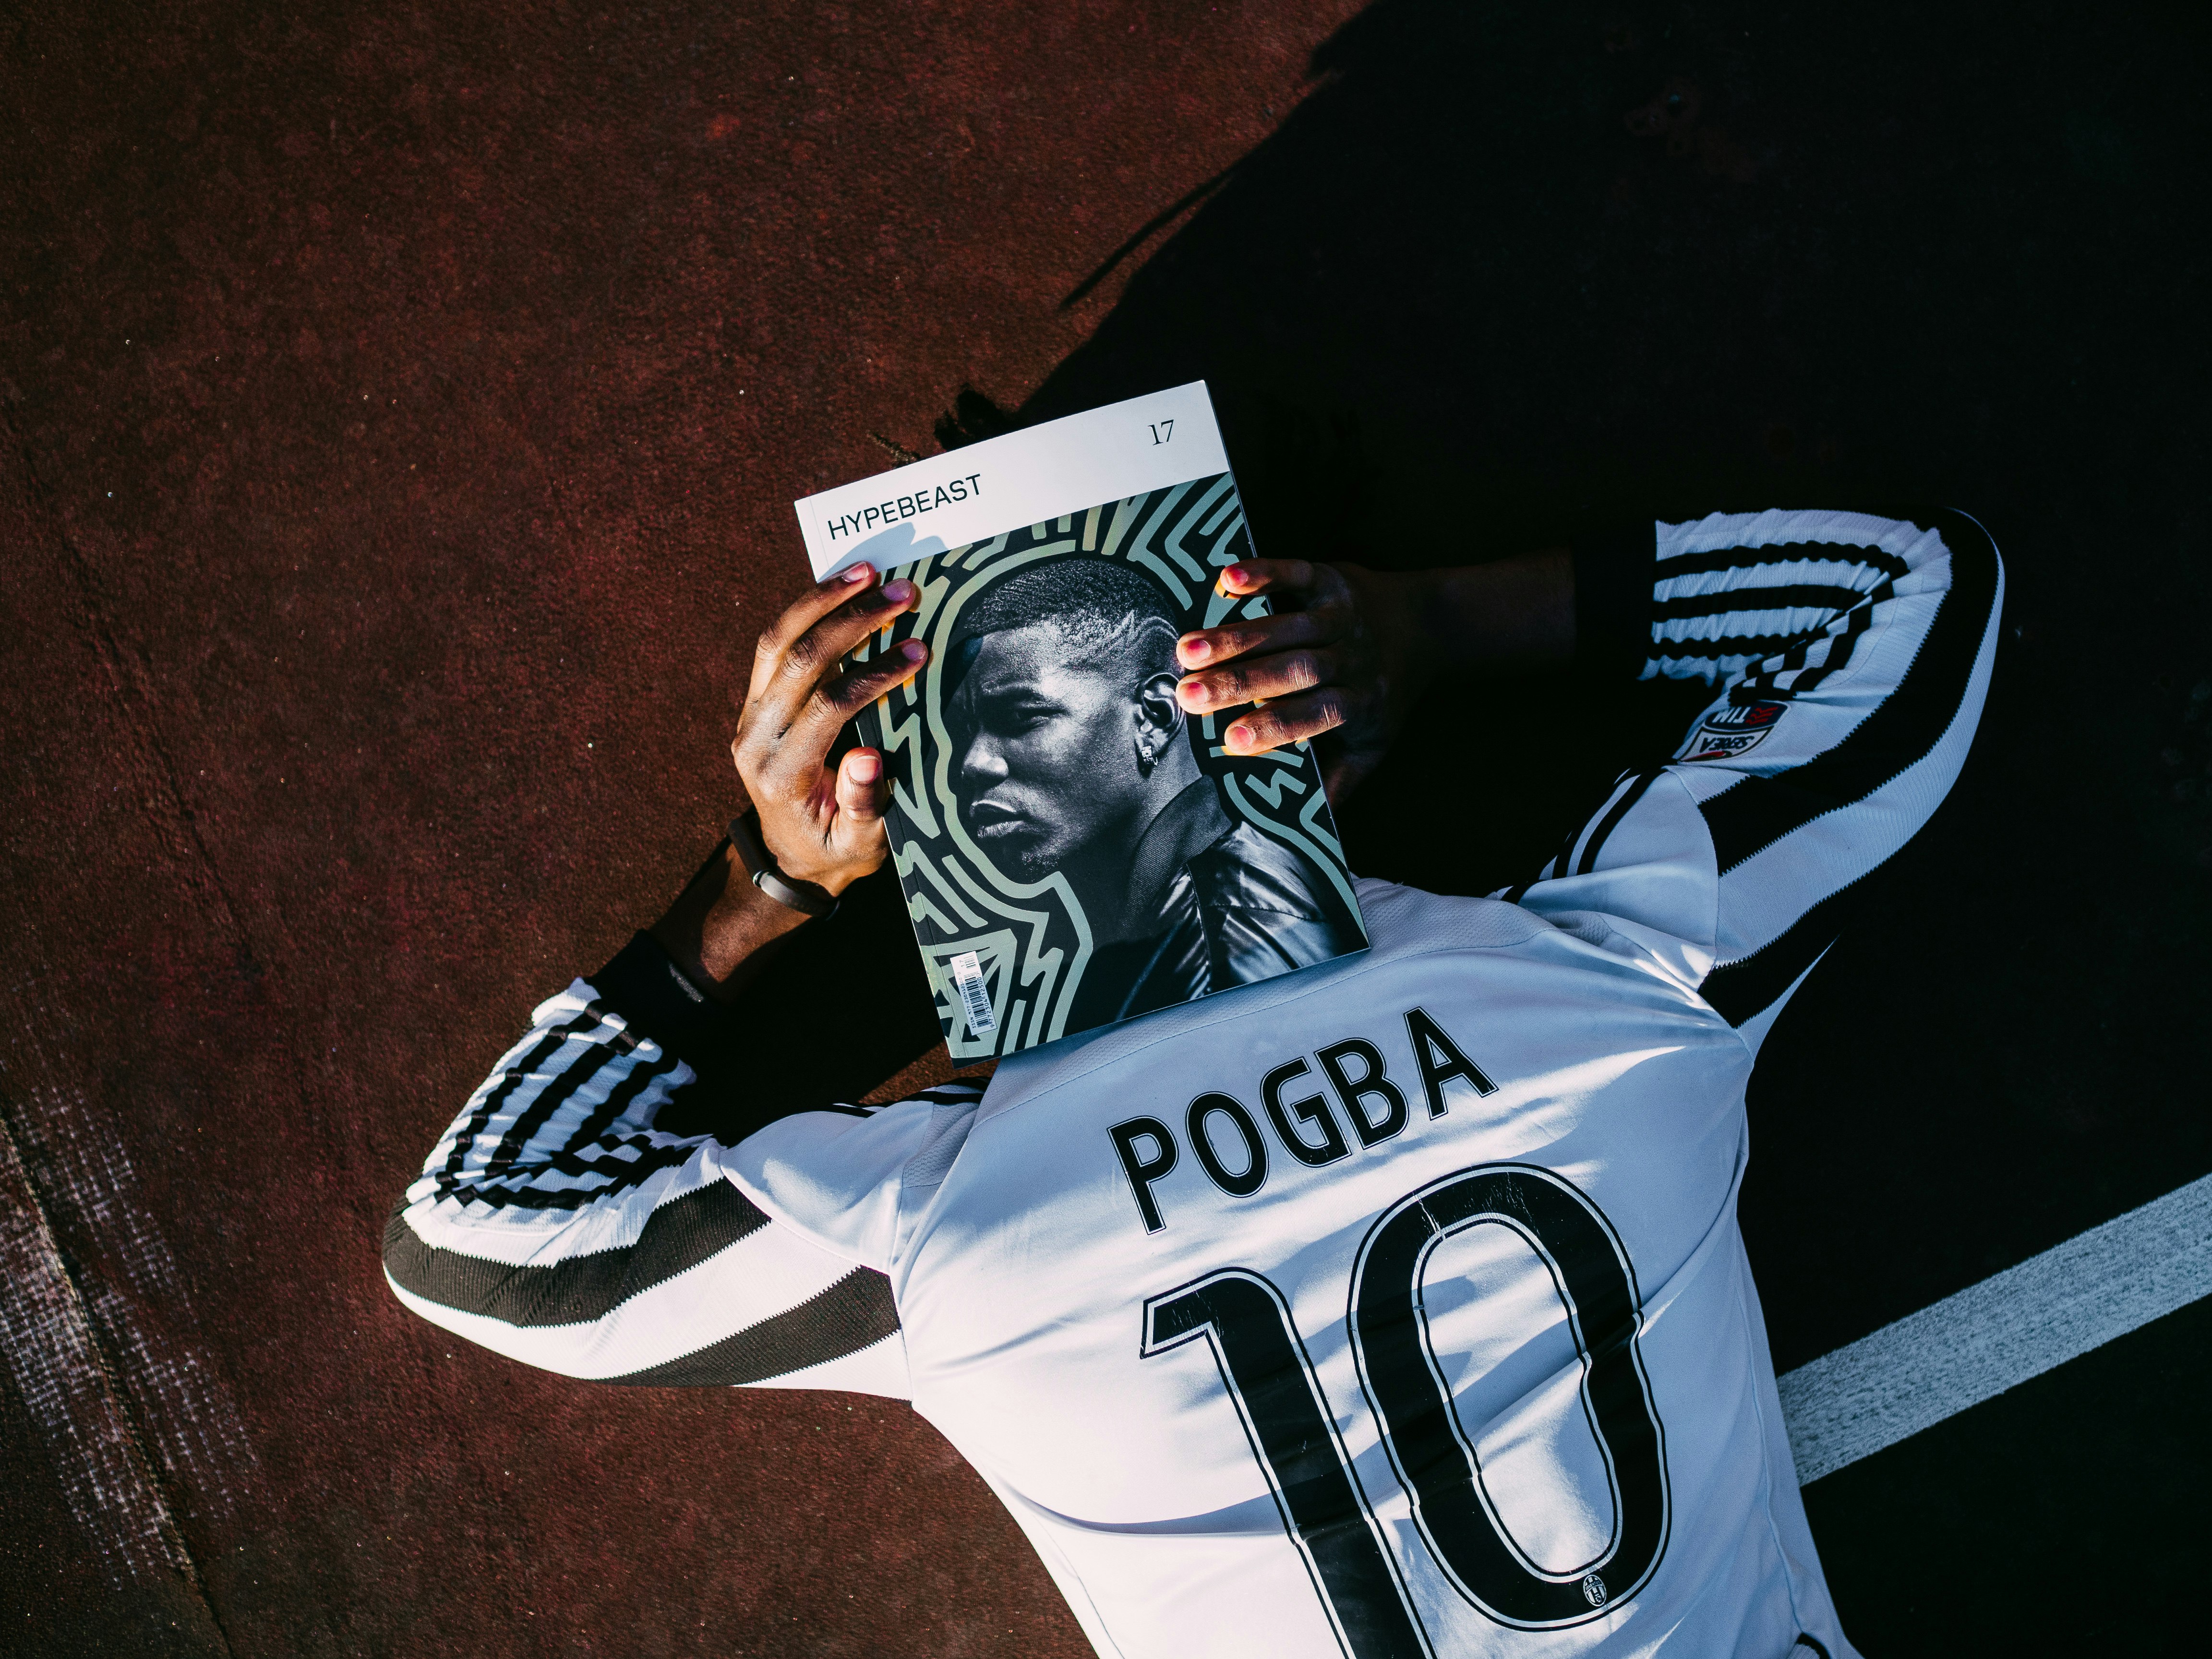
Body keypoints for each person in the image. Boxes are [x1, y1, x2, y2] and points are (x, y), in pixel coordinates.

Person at [385, 506, 2001, 1659]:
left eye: (1016, 717)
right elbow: (1910, 596)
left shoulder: (952, 1227)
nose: (991, 767)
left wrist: (754, 890)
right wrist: (1440, 625)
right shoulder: (1604, 991)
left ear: (1170, 738)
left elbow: (477, 1241)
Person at [944, 554, 1363, 1028]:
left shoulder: (1234, 934)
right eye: (963, 730)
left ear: (1155, 718)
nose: (972, 763)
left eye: (1021, 716)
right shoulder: (1165, 926)